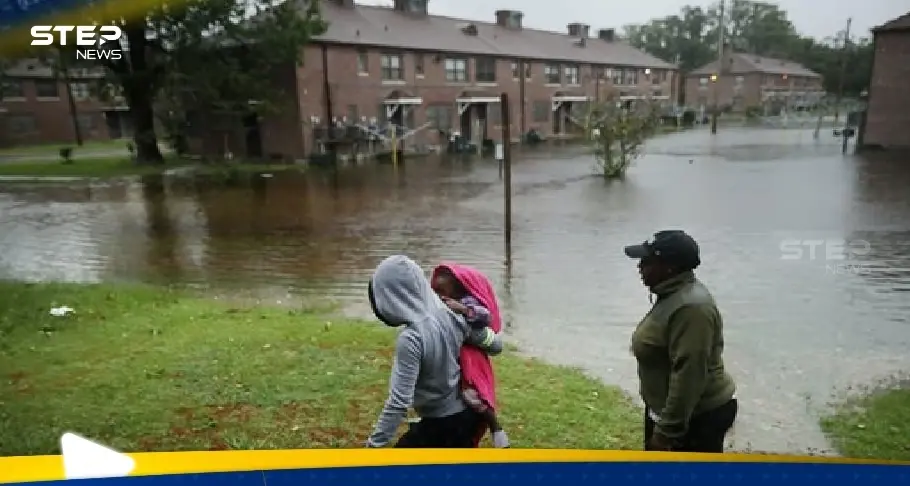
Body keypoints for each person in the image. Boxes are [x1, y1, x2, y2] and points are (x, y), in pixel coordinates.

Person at [365, 255, 504, 448]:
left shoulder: (411, 338)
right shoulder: (453, 316)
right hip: (466, 417)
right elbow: (496, 345)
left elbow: (398, 402)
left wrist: (373, 447)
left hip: (442, 425)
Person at [624, 230, 737, 453]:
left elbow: (689, 374)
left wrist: (667, 432)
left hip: (696, 419)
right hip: (668, 413)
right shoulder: (671, 295)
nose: (639, 266)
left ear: (669, 267)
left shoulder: (691, 309)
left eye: (647, 261)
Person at [431, 263, 510, 448]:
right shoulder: (440, 304)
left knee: (474, 394)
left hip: (471, 356)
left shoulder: (467, 302)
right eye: (436, 292)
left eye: (444, 291)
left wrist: (463, 310)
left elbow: (485, 317)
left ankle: (495, 428)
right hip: (455, 356)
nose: (441, 296)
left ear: (457, 288)